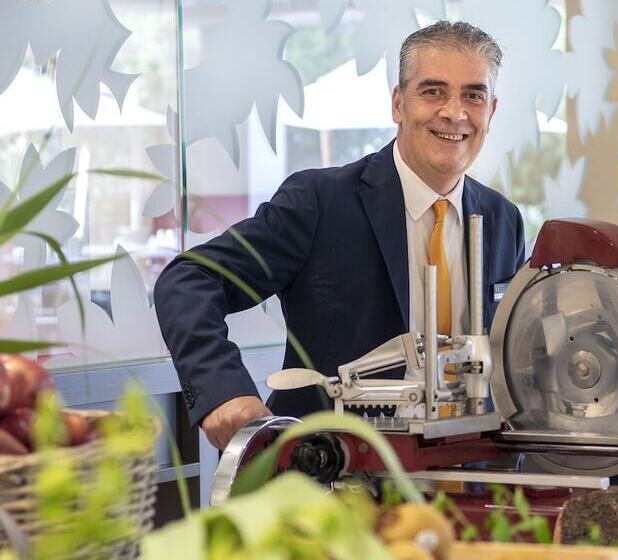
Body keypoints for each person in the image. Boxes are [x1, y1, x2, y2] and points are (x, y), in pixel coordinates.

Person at [154, 21, 526, 450]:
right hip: (335, 471)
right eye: (433, 91)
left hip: (468, 473)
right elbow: (188, 280)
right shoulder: (320, 202)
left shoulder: (503, 220)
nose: (454, 113)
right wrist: (224, 392)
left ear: (491, 111)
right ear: (398, 104)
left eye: (473, 96)